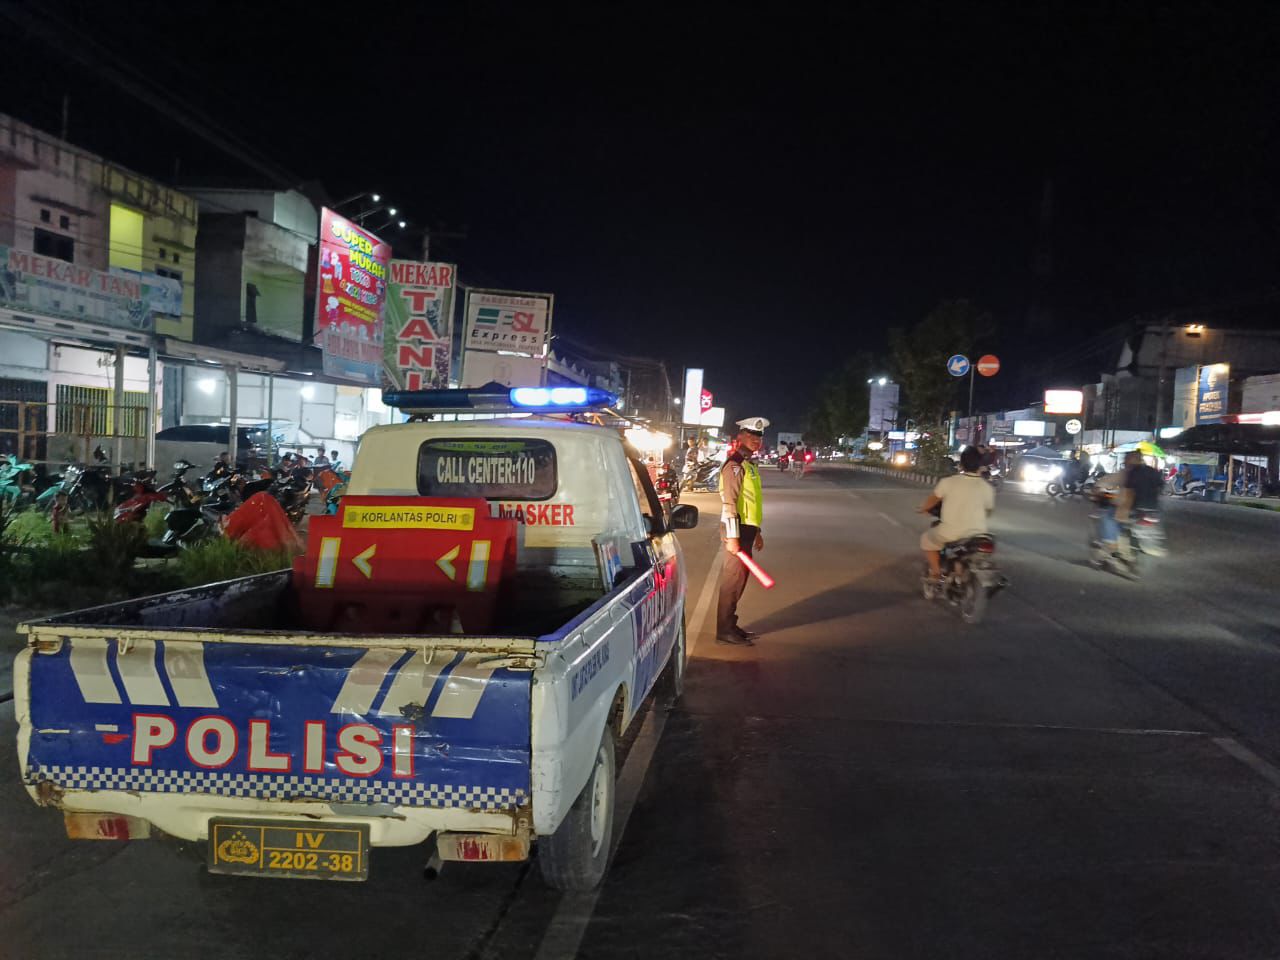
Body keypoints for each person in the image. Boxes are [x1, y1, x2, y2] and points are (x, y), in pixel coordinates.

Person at [716, 416, 769, 646]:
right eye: (750, 436)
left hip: (747, 530)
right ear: (740, 437)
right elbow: (730, 502)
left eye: (758, 437)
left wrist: (756, 531)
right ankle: (724, 630)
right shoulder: (735, 465)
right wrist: (733, 537)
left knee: (740, 581)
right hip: (735, 530)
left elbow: (752, 502)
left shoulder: (749, 465)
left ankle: (731, 624)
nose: (755, 440)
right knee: (732, 581)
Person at [918, 445, 995, 585]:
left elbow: (932, 501)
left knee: (926, 540)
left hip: (951, 533)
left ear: (961, 464)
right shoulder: (987, 488)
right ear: (980, 465)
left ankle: (936, 573)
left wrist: (922, 509)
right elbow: (988, 511)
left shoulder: (948, 482)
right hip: (978, 535)